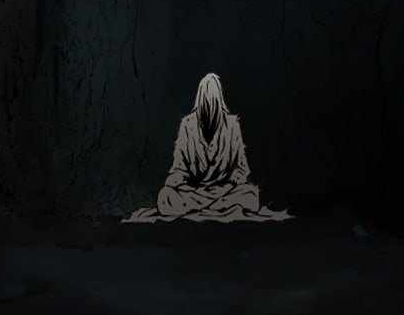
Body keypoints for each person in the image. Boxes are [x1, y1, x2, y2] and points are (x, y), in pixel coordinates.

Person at [125, 73, 291, 223]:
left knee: (250, 195)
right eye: (206, 100)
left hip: (224, 191)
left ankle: (207, 206)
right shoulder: (187, 125)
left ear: (219, 100)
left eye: (213, 99)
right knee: (165, 196)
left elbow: (241, 168)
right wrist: (174, 182)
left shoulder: (232, 125)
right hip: (195, 191)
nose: (209, 105)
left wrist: (232, 182)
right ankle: (216, 207)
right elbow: (179, 168)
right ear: (200, 100)